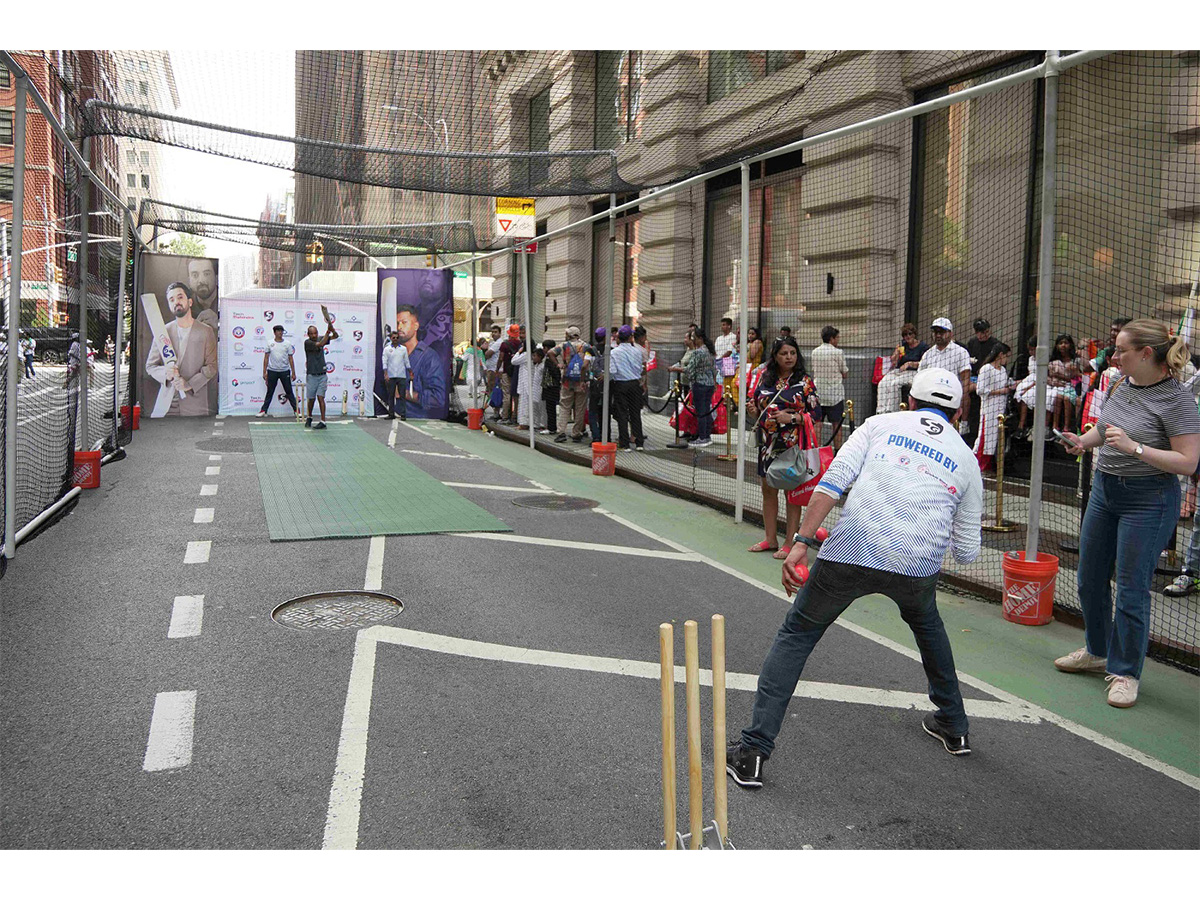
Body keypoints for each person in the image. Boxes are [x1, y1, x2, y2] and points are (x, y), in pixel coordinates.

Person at [726, 367, 983, 789]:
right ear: (957, 412)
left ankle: (754, 751)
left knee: (797, 635)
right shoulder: (966, 458)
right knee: (928, 626)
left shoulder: (880, 424)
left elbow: (833, 483)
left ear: (910, 401)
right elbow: (969, 552)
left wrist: (801, 541)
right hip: (918, 564)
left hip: (853, 546)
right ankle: (954, 725)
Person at [1056, 319, 1200, 708]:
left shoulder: (1177, 399)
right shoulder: (1121, 383)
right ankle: (1098, 650)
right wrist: (1081, 442)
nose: (1113, 356)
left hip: (1149, 499)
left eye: (1121, 350)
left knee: (1132, 590)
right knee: (1088, 577)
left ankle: (1125, 672)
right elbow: (1105, 429)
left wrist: (1137, 448)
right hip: (1105, 491)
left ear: (1146, 353)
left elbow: (1188, 462)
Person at [746, 336, 821, 559]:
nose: (789, 357)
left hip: (792, 444)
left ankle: (790, 542)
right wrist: (753, 410)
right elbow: (757, 402)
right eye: (783, 354)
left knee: (792, 493)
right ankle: (770, 538)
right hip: (767, 443)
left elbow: (815, 413)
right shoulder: (765, 378)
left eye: (792, 353)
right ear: (775, 357)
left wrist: (793, 418)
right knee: (768, 489)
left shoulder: (804, 382)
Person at [144, 281, 218, 416]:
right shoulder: (162, 332)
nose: (176, 302)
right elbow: (150, 366)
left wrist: (189, 384)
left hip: (195, 406)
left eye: (180, 297)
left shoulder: (206, 331)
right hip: (166, 405)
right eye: (171, 300)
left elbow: (212, 367)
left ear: (190, 302)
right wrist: (166, 373)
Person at [395, 303, 448, 419]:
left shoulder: (429, 357)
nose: (399, 327)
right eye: (397, 323)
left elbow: (438, 398)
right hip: (393, 421)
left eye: (404, 322)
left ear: (416, 326)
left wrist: (405, 393)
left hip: (417, 423)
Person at [918, 317, 971, 424]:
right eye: (935, 332)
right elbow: (919, 378)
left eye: (941, 332)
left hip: (951, 403)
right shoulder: (928, 354)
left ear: (950, 333)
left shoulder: (961, 352)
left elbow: (965, 383)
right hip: (929, 402)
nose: (938, 335)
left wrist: (963, 420)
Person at [670, 328, 718, 448]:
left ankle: (702, 437)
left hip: (700, 384)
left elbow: (689, 369)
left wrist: (674, 369)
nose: (693, 340)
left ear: (700, 339)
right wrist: (714, 382)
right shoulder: (709, 351)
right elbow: (714, 369)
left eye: (694, 338)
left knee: (701, 412)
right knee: (707, 410)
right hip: (710, 384)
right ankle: (706, 436)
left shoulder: (698, 352)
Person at [972, 343, 1013, 471]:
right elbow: (980, 390)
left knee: (995, 439)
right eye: (1006, 356)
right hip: (989, 409)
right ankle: (977, 465)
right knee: (985, 437)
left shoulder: (1003, 370)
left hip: (1000, 409)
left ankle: (988, 465)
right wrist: (1000, 391)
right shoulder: (986, 369)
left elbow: (1006, 385)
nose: (1007, 359)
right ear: (1000, 355)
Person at [811, 325, 849, 450]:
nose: (838, 340)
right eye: (837, 338)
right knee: (836, 425)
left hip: (818, 393)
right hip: (834, 395)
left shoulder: (815, 352)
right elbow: (845, 373)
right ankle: (837, 452)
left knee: (817, 424)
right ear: (832, 338)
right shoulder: (838, 352)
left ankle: (816, 452)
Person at [610, 324, 647, 451]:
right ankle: (639, 442)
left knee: (622, 414)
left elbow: (612, 370)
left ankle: (624, 443)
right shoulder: (637, 351)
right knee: (635, 413)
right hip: (634, 384)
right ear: (631, 337)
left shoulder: (614, 352)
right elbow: (640, 368)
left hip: (620, 384)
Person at [877, 323, 927, 413]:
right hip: (899, 371)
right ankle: (880, 411)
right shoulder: (903, 345)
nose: (907, 337)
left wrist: (910, 364)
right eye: (905, 335)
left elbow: (924, 364)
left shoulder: (922, 346)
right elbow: (893, 360)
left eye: (909, 334)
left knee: (895, 384)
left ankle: (891, 410)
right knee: (883, 383)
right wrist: (896, 354)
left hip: (913, 372)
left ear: (914, 334)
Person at [1049, 333, 1090, 434]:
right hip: (1055, 386)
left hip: (1073, 386)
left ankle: (1067, 427)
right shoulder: (1054, 361)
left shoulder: (1075, 360)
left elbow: (1074, 377)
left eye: (1066, 343)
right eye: (1060, 343)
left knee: (1066, 398)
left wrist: (1060, 375)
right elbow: (1049, 375)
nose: (1063, 345)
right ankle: (1054, 426)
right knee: (1057, 397)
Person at [555, 326, 590, 444]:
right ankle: (576, 433)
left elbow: (550, 353)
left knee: (565, 406)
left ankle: (561, 432)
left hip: (567, 380)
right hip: (581, 382)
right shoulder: (586, 346)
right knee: (580, 408)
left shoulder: (563, 346)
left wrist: (559, 365)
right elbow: (586, 365)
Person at [256, 324, 298, 418]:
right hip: (272, 371)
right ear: (274, 333)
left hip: (284, 371)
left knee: (289, 391)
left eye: (281, 331)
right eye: (278, 331)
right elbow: (266, 358)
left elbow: (290, 358)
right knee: (270, 392)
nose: (280, 333)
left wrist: (293, 372)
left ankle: (296, 410)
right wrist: (264, 372)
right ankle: (263, 410)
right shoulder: (270, 343)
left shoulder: (287, 343)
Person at [303, 320, 338, 429]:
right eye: (311, 333)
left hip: (322, 374)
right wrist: (328, 332)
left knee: (320, 397)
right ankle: (309, 417)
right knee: (311, 399)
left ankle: (323, 421)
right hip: (312, 375)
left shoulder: (320, 338)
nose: (314, 335)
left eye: (315, 333)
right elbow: (321, 344)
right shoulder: (307, 343)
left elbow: (335, 336)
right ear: (308, 334)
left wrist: (332, 330)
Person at [587, 328, 610, 444]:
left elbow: (585, 365)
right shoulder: (611, 350)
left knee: (592, 411)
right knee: (604, 410)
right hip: (607, 384)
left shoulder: (590, 350)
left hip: (594, 383)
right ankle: (605, 435)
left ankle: (595, 436)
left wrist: (583, 380)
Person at [381, 329, 411, 420]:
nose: (395, 339)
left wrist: (410, 372)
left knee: (402, 396)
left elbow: (406, 361)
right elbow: (384, 362)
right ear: (391, 338)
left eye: (397, 338)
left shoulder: (403, 349)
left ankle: (403, 415)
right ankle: (391, 414)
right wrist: (385, 374)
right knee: (391, 396)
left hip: (401, 375)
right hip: (391, 375)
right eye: (393, 338)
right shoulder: (387, 349)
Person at [498, 324, 522, 424]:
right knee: (516, 395)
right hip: (517, 372)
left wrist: (497, 369)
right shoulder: (521, 344)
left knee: (506, 394)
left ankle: (505, 416)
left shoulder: (505, 344)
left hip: (506, 371)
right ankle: (515, 416)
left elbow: (500, 358)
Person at [187, 257, 219, 332]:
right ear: (189, 281)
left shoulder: (227, 302)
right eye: (195, 275)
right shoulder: (183, 304)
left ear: (216, 277)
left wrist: (220, 326)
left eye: (206, 274)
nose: (201, 280)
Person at [541, 339, 561, 435]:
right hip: (551, 386)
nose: (543, 350)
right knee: (550, 407)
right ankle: (552, 427)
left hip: (550, 386)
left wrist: (556, 382)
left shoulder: (550, 360)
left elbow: (555, 373)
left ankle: (551, 427)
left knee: (550, 407)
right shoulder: (553, 359)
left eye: (544, 348)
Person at [483, 324, 503, 397]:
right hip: (490, 368)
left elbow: (487, 354)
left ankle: (494, 405)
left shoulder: (498, 343)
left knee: (493, 388)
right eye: (492, 332)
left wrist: (486, 353)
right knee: (490, 388)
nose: (493, 334)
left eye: (496, 332)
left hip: (494, 369)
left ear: (500, 333)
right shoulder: (492, 342)